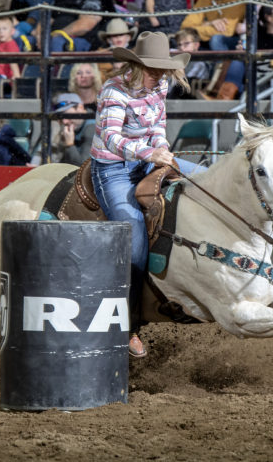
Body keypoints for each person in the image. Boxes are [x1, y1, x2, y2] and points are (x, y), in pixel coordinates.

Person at [90, 31, 194, 358]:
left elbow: (158, 127)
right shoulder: (114, 91)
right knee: (134, 238)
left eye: (163, 70)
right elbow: (110, 137)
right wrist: (148, 154)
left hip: (146, 160)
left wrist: (161, 148)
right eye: (153, 69)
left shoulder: (159, 87)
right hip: (113, 169)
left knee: (201, 179)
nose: (160, 76)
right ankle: (128, 326)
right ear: (136, 66)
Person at [50, 92, 92, 166]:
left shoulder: (91, 128)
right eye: (61, 117)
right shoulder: (75, 126)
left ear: (80, 107)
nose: (64, 121)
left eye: (67, 115)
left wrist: (70, 145)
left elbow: (83, 168)